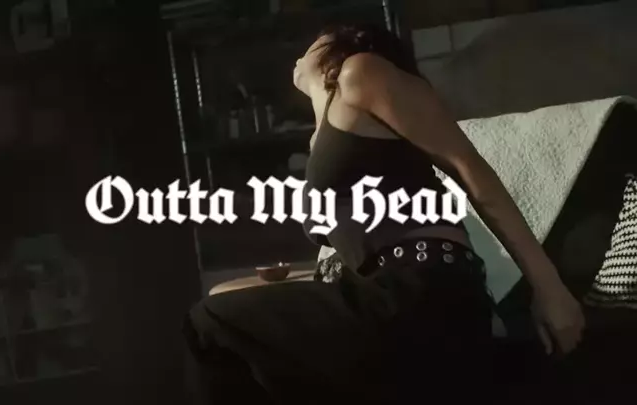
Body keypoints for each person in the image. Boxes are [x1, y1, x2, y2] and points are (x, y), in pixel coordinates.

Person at [183, 23, 585, 404]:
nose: (300, 52)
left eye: (313, 41)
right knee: (224, 306)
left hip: (423, 297)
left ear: (340, 43)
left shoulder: (362, 72)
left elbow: (469, 169)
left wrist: (549, 288)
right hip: (378, 295)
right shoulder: (327, 136)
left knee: (209, 323)